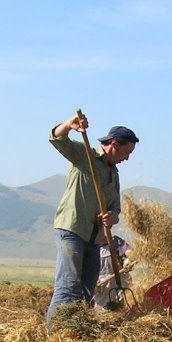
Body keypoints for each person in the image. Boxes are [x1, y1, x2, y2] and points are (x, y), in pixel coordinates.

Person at [45, 113, 139, 325]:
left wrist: (112, 217)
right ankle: (53, 335)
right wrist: (69, 124)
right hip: (72, 229)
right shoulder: (84, 155)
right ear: (113, 144)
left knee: (88, 290)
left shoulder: (114, 174)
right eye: (126, 151)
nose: (127, 158)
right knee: (68, 286)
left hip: (94, 238)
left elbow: (115, 207)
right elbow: (57, 139)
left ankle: (76, 332)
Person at [94, 232, 133, 311]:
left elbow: (129, 252)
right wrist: (92, 283)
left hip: (123, 286)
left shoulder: (116, 242)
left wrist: (128, 260)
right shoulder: (91, 249)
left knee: (128, 309)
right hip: (102, 293)